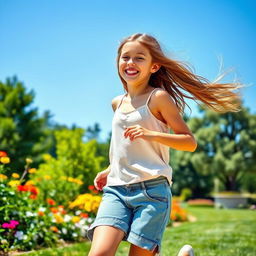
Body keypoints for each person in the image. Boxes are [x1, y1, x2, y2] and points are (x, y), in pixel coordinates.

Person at [87, 33, 241, 256]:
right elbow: (124, 146)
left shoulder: (159, 98)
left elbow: (189, 142)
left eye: (139, 58)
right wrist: (110, 169)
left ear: (154, 66)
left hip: (152, 192)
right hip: (116, 190)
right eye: (125, 57)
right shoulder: (117, 103)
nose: (130, 63)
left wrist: (150, 134)